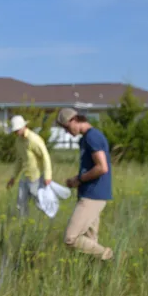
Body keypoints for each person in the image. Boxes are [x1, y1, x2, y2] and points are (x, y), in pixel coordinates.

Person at [56, 108, 114, 260]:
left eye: (67, 128)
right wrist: (76, 180)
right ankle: (95, 274)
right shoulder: (85, 139)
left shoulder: (92, 137)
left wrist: (79, 179)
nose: (67, 132)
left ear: (74, 120)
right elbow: (91, 168)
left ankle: (109, 255)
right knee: (90, 242)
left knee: (71, 238)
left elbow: (102, 167)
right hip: (89, 193)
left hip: (93, 196)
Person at [6, 115, 53, 216]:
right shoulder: (18, 141)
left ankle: (48, 219)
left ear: (23, 127)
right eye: (15, 130)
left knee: (39, 202)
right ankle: (22, 224)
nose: (16, 132)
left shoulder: (34, 139)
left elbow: (45, 157)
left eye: (17, 129)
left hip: (36, 176)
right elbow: (19, 160)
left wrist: (47, 176)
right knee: (21, 202)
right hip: (25, 176)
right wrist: (13, 177)